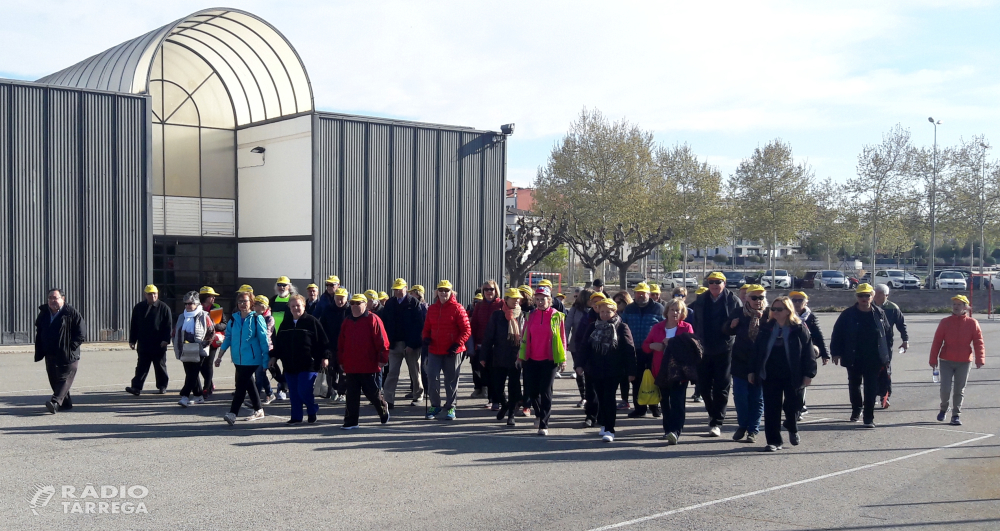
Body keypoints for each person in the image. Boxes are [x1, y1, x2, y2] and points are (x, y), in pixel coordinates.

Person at [750, 296, 817, 452]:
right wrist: (752, 371)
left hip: (793, 374)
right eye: (773, 309)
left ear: (788, 311)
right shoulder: (766, 328)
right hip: (770, 373)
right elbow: (757, 352)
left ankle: (791, 425)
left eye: (779, 309)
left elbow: (808, 352)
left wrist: (809, 374)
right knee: (772, 408)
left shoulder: (799, 328)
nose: (775, 312)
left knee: (793, 405)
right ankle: (774, 441)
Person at [830, 283, 892, 428]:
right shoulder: (848, 314)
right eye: (861, 296)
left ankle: (868, 417)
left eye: (867, 295)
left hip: (874, 358)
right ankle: (856, 409)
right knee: (854, 385)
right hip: (853, 356)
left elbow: (888, 335)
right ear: (856, 297)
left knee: (871, 387)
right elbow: (837, 334)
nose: (864, 298)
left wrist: (887, 356)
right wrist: (836, 353)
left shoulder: (879, 313)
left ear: (872, 296)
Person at [575, 298, 635, 442]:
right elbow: (584, 348)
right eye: (602, 311)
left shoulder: (622, 327)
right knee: (600, 398)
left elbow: (629, 350)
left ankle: (610, 429)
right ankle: (603, 423)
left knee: (609, 398)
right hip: (595, 370)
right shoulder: (592, 327)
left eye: (608, 311)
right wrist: (579, 364)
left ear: (615, 312)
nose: (605, 314)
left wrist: (631, 371)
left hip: (614, 370)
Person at [691, 271, 742, 436]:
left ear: (724, 284)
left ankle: (716, 421)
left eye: (718, 282)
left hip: (725, 348)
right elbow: (690, 318)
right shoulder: (701, 300)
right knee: (704, 386)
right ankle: (713, 413)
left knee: (722, 386)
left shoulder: (733, 300)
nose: (714, 285)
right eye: (711, 282)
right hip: (703, 348)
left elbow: (741, 323)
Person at [646, 299, 700, 445]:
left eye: (679, 310)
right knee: (665, 402)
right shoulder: (657, 327)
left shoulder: (687, 327)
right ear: (667, 311)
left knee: (677, 402)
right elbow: (645, 346)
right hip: (660, 370)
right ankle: (667, 430)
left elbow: (691, 347)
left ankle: (676, 431)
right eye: (672, 310)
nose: (675, 313)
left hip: (679, 372)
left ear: (683, 313)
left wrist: (673, 342)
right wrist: (653, 345)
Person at [271, 294, 330, 424]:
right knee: (294, 394)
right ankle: (296, 417)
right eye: (293, 306)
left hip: (309, 364)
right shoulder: (285, 323)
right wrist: (274, 356)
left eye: (298, 305)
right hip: (290, 365)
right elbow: (279, 343)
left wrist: (325, 357)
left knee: (303, 390)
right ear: (289, 308)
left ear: (304, 306)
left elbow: (323, 341)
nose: (296, 308)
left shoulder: (312, 321)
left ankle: (311, 409)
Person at [215, 290, 271, 426]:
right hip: (238, 359)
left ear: (251, 303)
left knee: (240, 385)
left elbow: (264, 341)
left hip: (252, 358)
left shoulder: (257, 319)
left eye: (245, 301)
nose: (242, 304)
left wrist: (266, 361)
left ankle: (232, 413)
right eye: (240, 301)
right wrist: (220, 355)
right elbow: (228, 338)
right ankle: (259, 410)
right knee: (248, 384)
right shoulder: (234, 319)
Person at [518, 286, 568, 436]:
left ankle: (544, 424)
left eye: (543, 299)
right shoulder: (530, 316)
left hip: (549, 359)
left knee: (545, 391)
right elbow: (524, 337)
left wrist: (563, 359)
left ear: (549, 300)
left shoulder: (556, 316)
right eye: (537, 299)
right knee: (532, 392)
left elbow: (562, 338)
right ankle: (539, 414)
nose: (540, 302)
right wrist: (520, 357)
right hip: (531, 358)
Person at [929, 295, 986, 426]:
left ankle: (956, 415)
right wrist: (933, 359)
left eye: (959, 304)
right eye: (954, 304)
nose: (956, 307)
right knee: (945, 389)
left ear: (965, 307)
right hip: (946, 360)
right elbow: (937, 341)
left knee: (959, 390)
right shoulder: (945, 322)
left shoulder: (972, 323)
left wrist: (980, 358)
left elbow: (978, 342)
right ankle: (943, 409)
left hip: (964, 361)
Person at [337, 293, 391, 429]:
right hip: (351, 366)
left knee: (373, 394)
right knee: (352, 396)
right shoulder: (347, 321)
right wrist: (341, 361)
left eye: (358, 303)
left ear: (365, 304)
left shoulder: (373, 319)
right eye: (352, 303)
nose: (355, 306)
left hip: (369, 366)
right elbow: (341, 343)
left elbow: (383, 341)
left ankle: (383, 410)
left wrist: (382, 359)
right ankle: (351, 421)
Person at [723, 284, 767, 443]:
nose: (758, 301)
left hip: (760, 363)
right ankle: (743, 425)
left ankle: (753, 430)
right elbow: (726, 331)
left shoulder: (769, 314)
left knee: (757, 398)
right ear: (747, 298)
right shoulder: (738, 313)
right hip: (741, 362)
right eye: (754, 297)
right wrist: (731, 325)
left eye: (761, 298)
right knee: (740, 397)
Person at [422, 280, 472, 420]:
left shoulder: (458, 308)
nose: (443, 293)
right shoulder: (432, 308)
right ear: (437, 292)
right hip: (434, 350)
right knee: (432, 377)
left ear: (451, 292)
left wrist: (457, 344)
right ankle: (435, 405)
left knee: (451, 380)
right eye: (441, 290)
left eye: (446, 290)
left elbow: (466, 330)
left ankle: (451, 407)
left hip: (452, 351)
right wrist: (426, 338)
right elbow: (426, 328)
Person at [481, 288, 527, 426]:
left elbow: (526, 337)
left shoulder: (524, 316)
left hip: (516, 357)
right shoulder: (497, 315)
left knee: (514, 387)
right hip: (499, 356)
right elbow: (488, 337)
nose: (516, 300)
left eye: (518, 298)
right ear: (506, 299)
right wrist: (483, 355)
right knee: (497, 387)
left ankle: (511, 414)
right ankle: (505, 405)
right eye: (513, 298)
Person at [35, 288, 85, 414]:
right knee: (54, 380)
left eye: (55, 298)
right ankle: (66, 403)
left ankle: (55, 402)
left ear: (63, 299)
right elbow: (39, 330)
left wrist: (71, 347)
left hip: (68, 354)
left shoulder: (71, 313)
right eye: (50, 298)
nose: (52, 300)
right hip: (50, 353)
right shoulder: (44, 313)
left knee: (64, 378)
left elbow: (81, 332)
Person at [621, 282, 664, 419]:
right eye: (637, 292)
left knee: (655, 379)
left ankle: (655, 407)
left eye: (643, 292)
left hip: (653, 350)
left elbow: (664, 326)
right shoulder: (629, 309)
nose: (640, 295)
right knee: (636, 380)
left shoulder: (658, 308)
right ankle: (639, 408)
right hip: (634, 350)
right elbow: (622, 325)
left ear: (648, 293)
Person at [381, 278, 425, 409]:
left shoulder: (414, 303)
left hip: (411, 345)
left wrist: (412, 344)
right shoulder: (390, 303)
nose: (397, 292)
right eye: (395, 289)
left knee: (415, 371)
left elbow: (419, 326)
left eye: (399, 289)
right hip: (394, 344)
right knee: (392, 372)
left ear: (406, 288)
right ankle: (388, 399)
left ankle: (418, 395)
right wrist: (388, 342)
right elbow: (385, 323)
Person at [126, 284, 172, 396]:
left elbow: (168, 326)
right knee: (141, 366)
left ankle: (162, 386)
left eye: (154, 294)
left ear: (157, 294)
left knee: (160, 366)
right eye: (150, 294)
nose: (152, 296)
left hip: (159, 343)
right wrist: (132, 340)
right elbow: (134, 325)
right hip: (143, 343)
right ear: (145, 295)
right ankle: (136, 387)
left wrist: (166, 340)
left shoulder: (164, 307)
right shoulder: (139, 307)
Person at [790, 291, 829, 419]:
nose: (796, 303)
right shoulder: (785, 314)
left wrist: (824, 353)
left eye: (800, 300)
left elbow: (818, 335)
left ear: (806, 302)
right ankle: (797, 406)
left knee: (802, 381)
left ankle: (798, 408)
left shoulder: (810, 317)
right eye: (794, 300)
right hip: (789, 353)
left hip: (806, 353)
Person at [173, 291, 214, 407]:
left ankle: (184, 396)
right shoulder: (182, 316)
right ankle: (198, 396)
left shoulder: (204, 315)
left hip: (198, 349)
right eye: (186, 304)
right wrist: (176, 343)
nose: (187, 306)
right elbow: (175, 332)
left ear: (196, 304)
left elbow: (211, 332)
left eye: (190, 303)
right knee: (191, 373)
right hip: (185, 349)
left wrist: (203, 344)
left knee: (192, 373)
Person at [873, 284, 908, 409]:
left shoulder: (893, 308)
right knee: (871, 370)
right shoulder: (868, 306)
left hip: (886, 345)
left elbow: (901, 325)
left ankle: (885, 396)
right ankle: (872, 395)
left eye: (879, 294)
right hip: (869, 344)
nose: (875, 296)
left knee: (885, 369)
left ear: (886, 296)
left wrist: (905, 340)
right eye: (874, 293)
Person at [471, 279, 504, 404]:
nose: (489, 292)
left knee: (496, 374)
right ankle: (491, 399)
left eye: (491, 289)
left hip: (498, 346)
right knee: (485, 374)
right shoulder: (479, 306)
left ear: (496, 290)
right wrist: (473, 344)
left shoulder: (502, 304)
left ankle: (497, 400)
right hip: (481, 345)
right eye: (486, 289)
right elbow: (473, 325)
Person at [567, 288, 595, 409]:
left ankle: (593, 397)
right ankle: (583, 396)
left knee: (592, 372)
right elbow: (567, 326)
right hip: (577, 345)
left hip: (594, 346)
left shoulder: (597, 310)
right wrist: (564, 343)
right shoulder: (575, 310)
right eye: (591, 299)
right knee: (579, 371)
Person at [199, 286, 224, 399]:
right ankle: (210, 383)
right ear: (204, 297)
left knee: (208, 364)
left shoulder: (216, 309)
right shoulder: (197, 308)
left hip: (212, 341)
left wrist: (215, 326)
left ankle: (206, 388)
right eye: (211, 296)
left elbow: (224, 324)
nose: (214, 298)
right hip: (199, 340)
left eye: (214, 296)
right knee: (200, 365)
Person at [252, 295, 277, 405]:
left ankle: (255, 398)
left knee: (259, 374)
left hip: (266, 349)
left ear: (263, 307)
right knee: (260, 374)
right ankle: (270, 393)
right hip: (255, 349)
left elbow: (266, 334)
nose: (254, 306)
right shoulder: (253, 316)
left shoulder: (269, 319)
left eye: (257, 304)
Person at [612, 290, 634, 410]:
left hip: (628, 348)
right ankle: (618, 399)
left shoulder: (629, 313)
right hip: (616, 349)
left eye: (619, 302)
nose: (617, 304)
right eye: (615, 302)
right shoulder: (612, 315)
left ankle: (626, 399)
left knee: (626, 376)